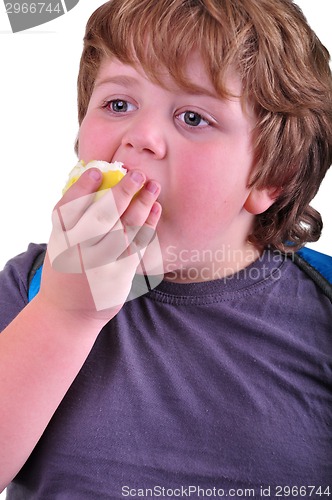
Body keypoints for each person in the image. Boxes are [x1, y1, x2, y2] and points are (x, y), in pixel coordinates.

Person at [0, 0, 331, 497]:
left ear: (273, 176)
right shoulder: (29, 289)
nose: (141, 138)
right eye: (118, 104)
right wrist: (64, 313)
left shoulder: (322, 307)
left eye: (194, 117)